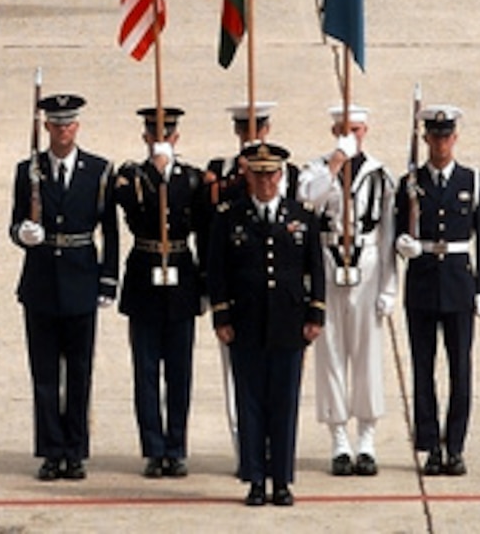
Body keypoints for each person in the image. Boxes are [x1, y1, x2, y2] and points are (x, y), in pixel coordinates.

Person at [207, 142, 325, 507]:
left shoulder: (301, 215)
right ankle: (255, 478)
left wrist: (315, 313)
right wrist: (222, 316)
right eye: (257, 175)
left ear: (281, 175)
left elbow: (316, 270)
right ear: (247, 176)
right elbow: (218, 270)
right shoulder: (229, 215)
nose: (265, 182)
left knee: (284, 404)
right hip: (246, 322)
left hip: (289, 323)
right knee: (251, 403)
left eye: (271, 175)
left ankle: (282, 480)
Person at [9, 93, 118, 480]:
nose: (62, 132)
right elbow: (15, 223)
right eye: (55, 125)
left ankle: (75, 449)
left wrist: (108, 279)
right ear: (46, 128)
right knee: (43, 374)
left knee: (79, 371)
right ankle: (50, 450)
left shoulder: (99, 171)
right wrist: (24, 233)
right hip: (41, 281)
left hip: (81, 278)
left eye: (68, 125)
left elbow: (109, 229)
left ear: (77, 127)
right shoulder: (29, 171)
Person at [298, 104, 397, 476]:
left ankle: (367, 439)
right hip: (327, 265)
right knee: (331, 354)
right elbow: (308, 200)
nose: (349, 135)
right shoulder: (317, 169)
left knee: (367, 355)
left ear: (366, 130)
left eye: (355, 129)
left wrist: (389, 286)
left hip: (367, 268)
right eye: (342, 129)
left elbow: (387, 234)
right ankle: (339, 439)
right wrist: (337, 161)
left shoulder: (380, 176)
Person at [394, 104, 480, 477]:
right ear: (425, 139)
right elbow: (398, 229)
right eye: (434, 137)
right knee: (422, 369)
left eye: (446, 136)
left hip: (457, 283)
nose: (441, 143)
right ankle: (430, 446)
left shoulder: (473, 181)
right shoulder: (411, 183)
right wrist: (404, 244)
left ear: (455, 138)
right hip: (421, 283)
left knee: (460, 369)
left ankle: (456, 446)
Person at [203, 101, 299, 470]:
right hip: (242, 304)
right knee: (240, 387)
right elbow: (211, 222)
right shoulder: (218, 172)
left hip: (280, 309)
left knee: (280, 390)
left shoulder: (287, 171)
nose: (251, 135)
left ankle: (275, 462)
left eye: (258, 127)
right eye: (245, 129)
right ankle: (247, 454)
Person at [115, 106, 208, 478]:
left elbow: (202, 228)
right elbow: (133, 211)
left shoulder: (194, 179)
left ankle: (177, 445)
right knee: (146, 369)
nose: (161, 141)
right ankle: (153, 448)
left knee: (180, 371)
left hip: (181, 274)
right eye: (154, 136)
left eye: (166, 136)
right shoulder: (132, 177)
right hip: (145, 274)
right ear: (145, 139)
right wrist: (155, 173)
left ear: (176, 138)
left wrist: (204, 285)